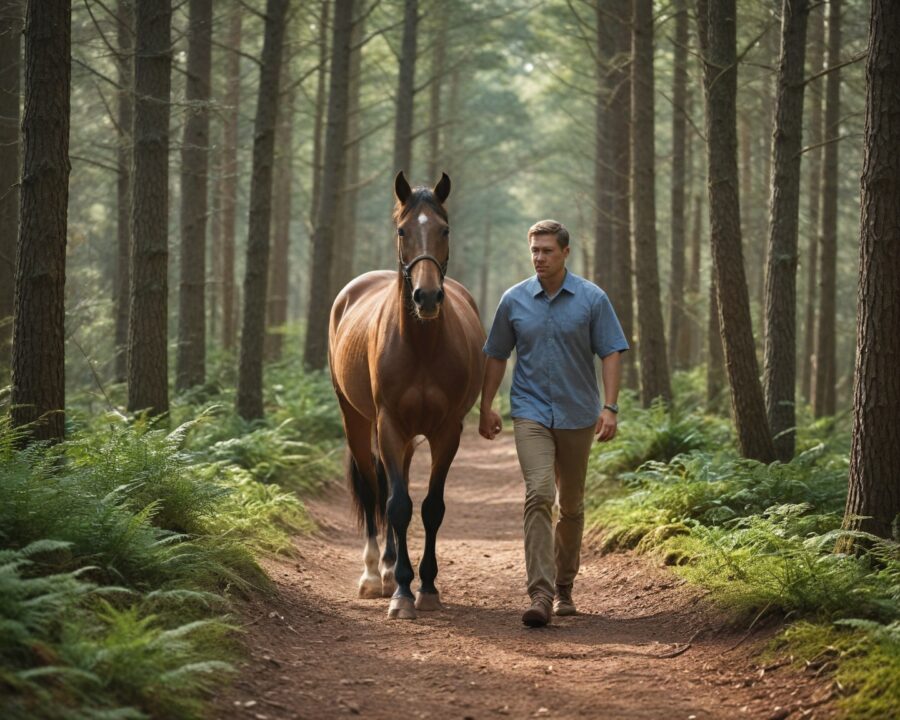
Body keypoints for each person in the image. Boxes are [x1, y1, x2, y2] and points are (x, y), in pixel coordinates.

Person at [479, 219, 628, 628]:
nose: (539, 258)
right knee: (539, 493)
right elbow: (496, 354)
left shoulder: (592, 299)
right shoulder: (513, 300)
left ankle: (565, 586)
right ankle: (540, 594)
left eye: (546, 250)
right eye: (534, 251)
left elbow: (612, 351)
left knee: (572, 504)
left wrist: (610, 407)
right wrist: (486, 404)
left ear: (565, 252)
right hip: (530, 411)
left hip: (578, 412)